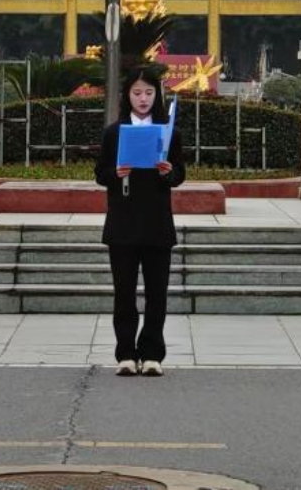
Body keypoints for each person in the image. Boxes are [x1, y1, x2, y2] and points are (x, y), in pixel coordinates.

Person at [94, 66, 185, 377]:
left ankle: (152, 354)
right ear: (127, 96)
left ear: (157, 95)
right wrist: (116, 173)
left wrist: (167, 172)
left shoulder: (168, 132)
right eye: (137, 93)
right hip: (123, 224)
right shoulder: (114, 132)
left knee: (157, 294)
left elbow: (179, 175)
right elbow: (100, 174)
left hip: (157, 224)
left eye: (149, 92)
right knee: (124, 294)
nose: (143, 99)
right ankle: (126, 354)